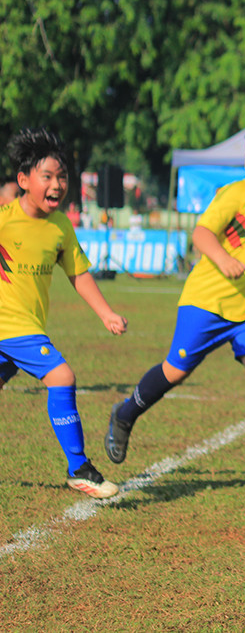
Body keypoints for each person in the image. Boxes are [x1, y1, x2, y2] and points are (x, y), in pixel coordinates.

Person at [105, 122, 245, 484]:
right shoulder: (235, 193)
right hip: (208, 300)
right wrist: (224, 259)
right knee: (176, 371)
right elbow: (201, 233)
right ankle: (124, 414)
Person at [0, 128, 128, 497]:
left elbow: (78, 274)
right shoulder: (4, 220)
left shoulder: (60, 227)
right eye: (48, 176)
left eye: (62, 177)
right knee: (62, 376)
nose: (57, 185)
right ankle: (79, 468)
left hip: (25, 324)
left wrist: (106, 313)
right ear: (24, 180)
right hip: (11, 326)